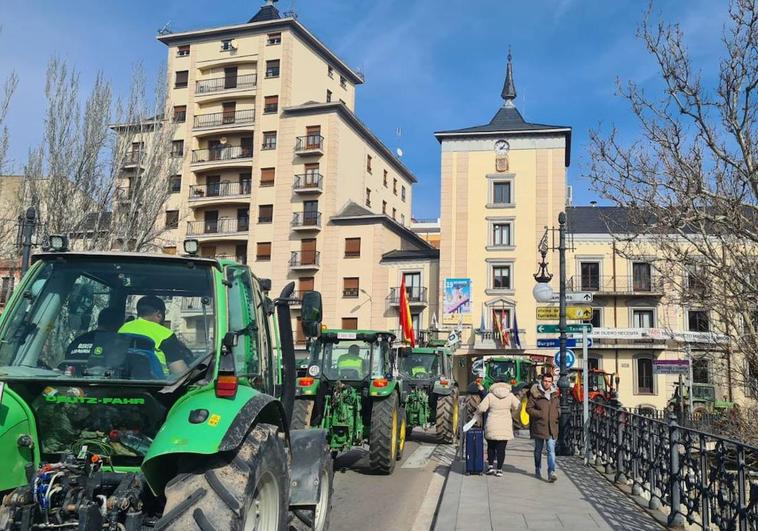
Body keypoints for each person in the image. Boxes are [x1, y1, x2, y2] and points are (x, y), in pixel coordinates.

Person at [118, 295, 190, 376]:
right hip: (158, 385)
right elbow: (180, 373)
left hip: (125, 380)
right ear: (159, 314)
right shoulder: (165, 334)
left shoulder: (123, 328)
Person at [476, 378, 521, 477]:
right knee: (502, 449)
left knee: (491, 447)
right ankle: (499, 469)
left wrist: (477, 414)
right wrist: (511, 413)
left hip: (492, 423)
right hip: (505, 424)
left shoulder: (490, 395)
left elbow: (482, 408)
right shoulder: (510, 395)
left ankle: (490, 467)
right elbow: (518, 406)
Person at [527, 372, 561, 482]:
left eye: (549, 382)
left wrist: (557, 414)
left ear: (552, 382)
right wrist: (540, 414)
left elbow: (558, 407)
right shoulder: (535, 393)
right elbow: (528, 408)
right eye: (545, 381)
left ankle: (551, 472)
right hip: (539, 426)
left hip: (552, 427)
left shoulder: (555, 394)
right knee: (538, 450)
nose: (547, 383)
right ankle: (538, 468)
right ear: (542, 381)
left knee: (551, 450)